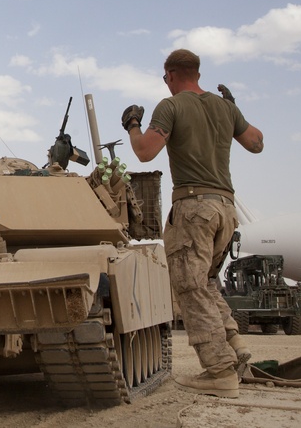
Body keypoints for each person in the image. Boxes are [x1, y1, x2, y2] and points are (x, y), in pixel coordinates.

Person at [121, 49, 264, 399]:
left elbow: (144, 152)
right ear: (197, 73)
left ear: (171, 75)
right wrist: (235, 108)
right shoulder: (224, 107)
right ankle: (236, 346)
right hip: (226, 208)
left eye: (165, 78)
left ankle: (219, 371)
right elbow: (256, 144)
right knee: (207, 282)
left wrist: (132, 125)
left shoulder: (170, 106)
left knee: (189, 287)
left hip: (193, 207)